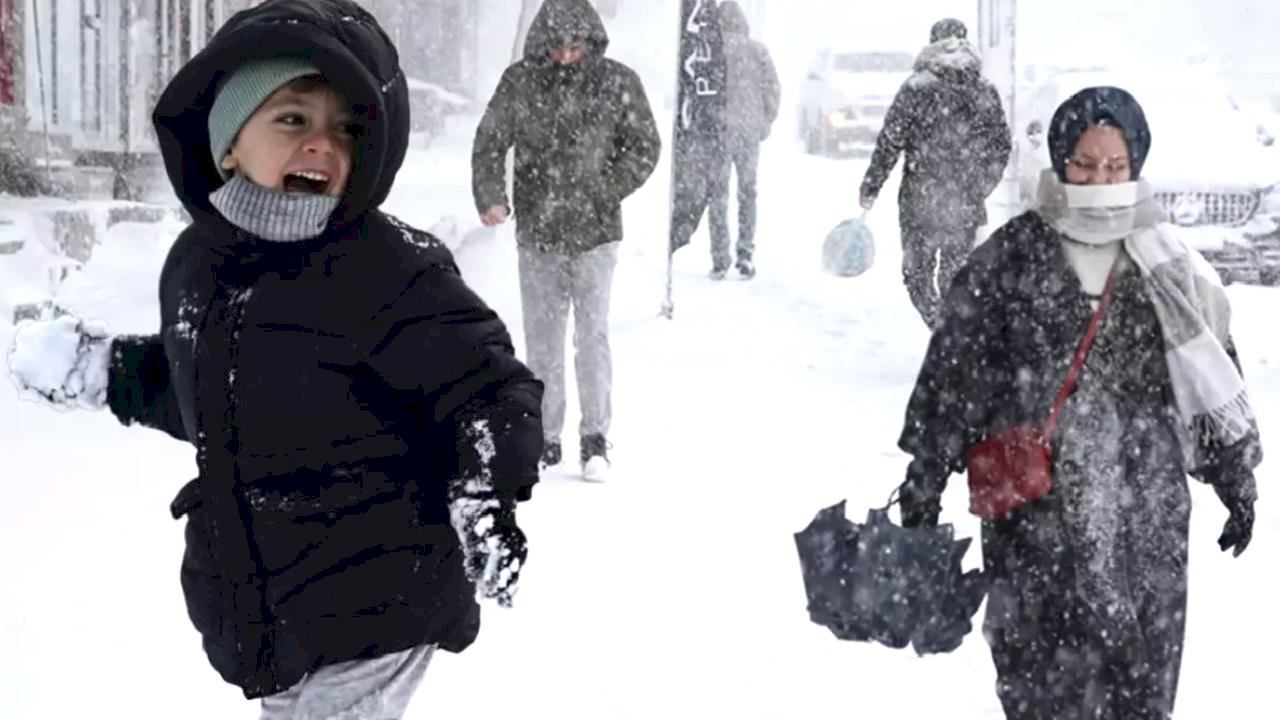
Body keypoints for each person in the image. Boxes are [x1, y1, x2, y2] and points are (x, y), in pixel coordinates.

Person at [5, 0, 543, 716]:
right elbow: (214, 394)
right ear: (229, 141)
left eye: (345, 129)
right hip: (272, 606)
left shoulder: (387, 270)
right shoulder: (200, 265)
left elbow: (487, 386)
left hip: (377, 597)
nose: (323, 144)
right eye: (293, 119)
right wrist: (106, 371)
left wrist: (483, 490)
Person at [895, 86, 1260, 719]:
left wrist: (1235, 479)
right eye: (1085, 165)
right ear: (1061, 160)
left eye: (1114, 167)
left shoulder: (1165, 262)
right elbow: (956, 370)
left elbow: (1208, 373)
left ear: (1136, 164)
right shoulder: (1012, 255)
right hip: (1037, 513)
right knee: (1038, 680)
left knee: (1140, 678)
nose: (1099, 180)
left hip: (1144, 511)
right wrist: (926, 472)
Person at [472, 0, 661, 482]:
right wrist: (491, 194)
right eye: (556, 48)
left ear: (590, 42)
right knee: (543, 341)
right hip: (538, 234)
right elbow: (490, 140)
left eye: (574, 47)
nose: (565, 56)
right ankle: (544, 435)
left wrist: (606, 188)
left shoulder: (618, 82)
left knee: (592, 337)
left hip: (596, 235)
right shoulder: (520, 82)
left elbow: (645, 146)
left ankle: (595, 438)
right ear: (542, 44)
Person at [859, 18, 1011, 328]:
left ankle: (939, 326)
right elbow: (1001, 146)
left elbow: (891, 140)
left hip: (919, 200)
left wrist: (872, 185)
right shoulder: (984, 90)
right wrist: (980, 186)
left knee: (917, 276)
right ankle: (951, 333)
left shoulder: (916, 88)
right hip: (964, 202)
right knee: (955, 275)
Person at [707, 0, 779, 280]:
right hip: (749, 131)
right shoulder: (758, 51)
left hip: (720, 131)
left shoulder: (713, 52)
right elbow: (773, 87)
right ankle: (746, 253)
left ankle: (719, 257)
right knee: (748, 193)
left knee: (718, 195)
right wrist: (766, 119)